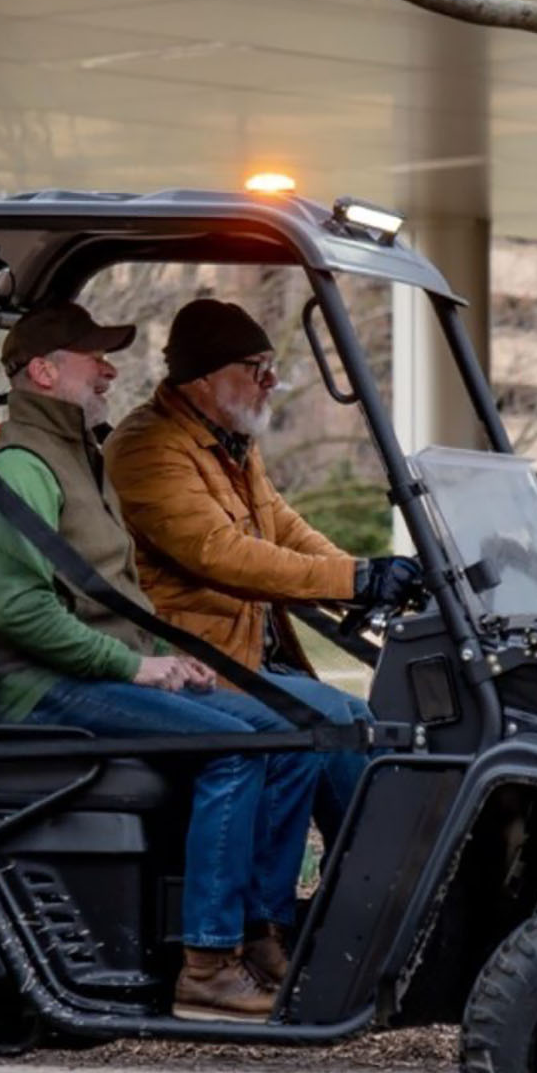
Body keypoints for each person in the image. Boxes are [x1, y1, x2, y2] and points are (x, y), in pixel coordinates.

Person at [0, 301, 336, 1022]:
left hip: (99, 671)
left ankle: (262, 936)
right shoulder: (23, 467)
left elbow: (116, 593)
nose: (110, 370)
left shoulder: (81, 457)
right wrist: (136, 668)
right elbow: (23, 614)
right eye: (92, 357)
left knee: (292, 735)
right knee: (236, 747)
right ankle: (207, 966)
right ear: (44, 370)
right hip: (46, 687)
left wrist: (167, 656)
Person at [103, 298, 421, 840]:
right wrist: (354, 581)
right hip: (197, 661)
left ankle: (359, 890)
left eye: (270, 366)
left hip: (247, 654)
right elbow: (217, 551)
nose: (272, 381)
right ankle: (361, 897)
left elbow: (286, 529)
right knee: (342, 726)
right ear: (203, 378)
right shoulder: (148, 448)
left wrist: (367, 574)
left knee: (364, 718)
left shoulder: (231, 445)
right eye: (256, 369)